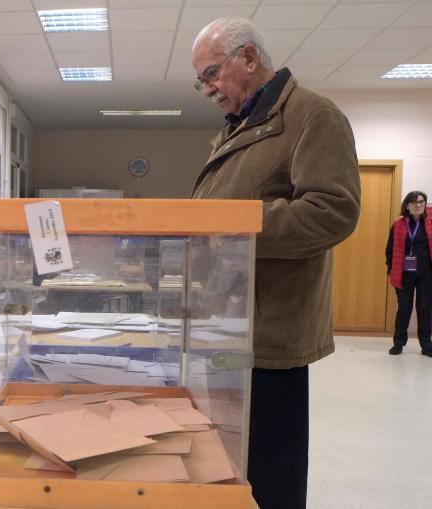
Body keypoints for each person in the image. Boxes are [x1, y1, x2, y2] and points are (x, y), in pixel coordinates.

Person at [190, 17, 361, 509]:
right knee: (228, 468)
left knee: (271, 478)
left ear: (248, 57)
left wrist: (232, 226)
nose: (207, 89)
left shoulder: (313, 116)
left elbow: (333, 212)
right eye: (201, 80)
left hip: (269, 337)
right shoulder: (239, 128)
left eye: (211, 74)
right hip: (225, 326)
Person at [385, 191, 432, 357]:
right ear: (407, 205)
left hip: (426, 274)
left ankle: (426, 345)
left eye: (421, 202)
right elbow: (390, 250)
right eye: (415, 202)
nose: (419, 205)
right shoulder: (398, 225)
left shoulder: (430, 223)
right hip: (404, 274)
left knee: (425, 309)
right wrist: (391, 268)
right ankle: (398, 343)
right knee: (404, 308)